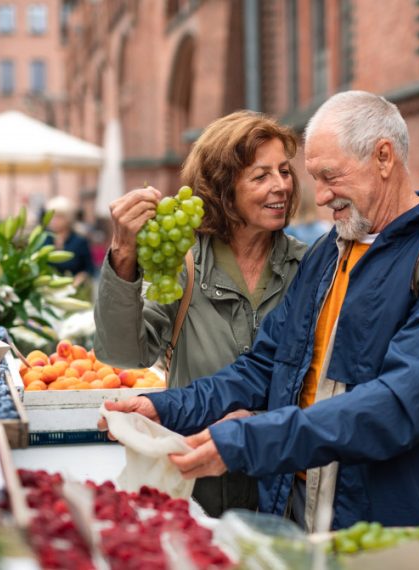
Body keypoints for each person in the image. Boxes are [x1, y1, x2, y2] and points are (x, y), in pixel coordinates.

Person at [99, 91, 419, 531]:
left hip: (394, 517)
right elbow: (266, 365)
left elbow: (399, 404)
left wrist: (246, 441)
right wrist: (162, 407)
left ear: (384, 157)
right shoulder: (329, 254)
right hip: (303, 505)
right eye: (315, 178)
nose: (322, 196)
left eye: (329, 176)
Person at [93, 110, 308, 516]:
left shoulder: (308, 267)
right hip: (199, 487)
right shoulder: (184, 263)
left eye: (284, 171)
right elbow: (123, 352)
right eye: (261, 176)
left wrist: (255, 426)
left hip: (286, 490)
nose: (281, 185)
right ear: (224, 188)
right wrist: (124, 256)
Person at [43, 196, 97, 291]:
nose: (54, 220)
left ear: (68, 218)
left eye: (58, 217)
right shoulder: (44, 239)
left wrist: (80, 279)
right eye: (51, 216)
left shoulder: (79, 241)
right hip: (47, 290)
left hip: (73, 290)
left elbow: (89, 269)